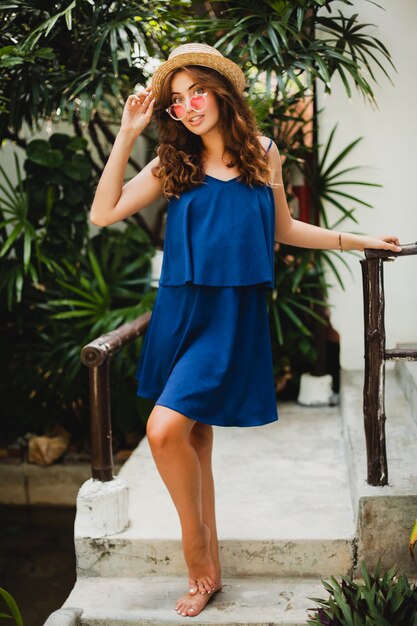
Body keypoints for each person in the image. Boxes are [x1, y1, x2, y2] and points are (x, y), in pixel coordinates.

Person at [89, 42, 401, 618]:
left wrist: (356, 239)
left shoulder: (262, 152)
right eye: (176, 100)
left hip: (230, 317)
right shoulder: (171, 162)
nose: (187, 107)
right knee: (191, 437)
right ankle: (208, 567)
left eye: (196, 92)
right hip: (181, 309)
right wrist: (128, 134)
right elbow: (103, 213)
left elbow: (282, 228)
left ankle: (199, 562)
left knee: (164, 431)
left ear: (222, 91)